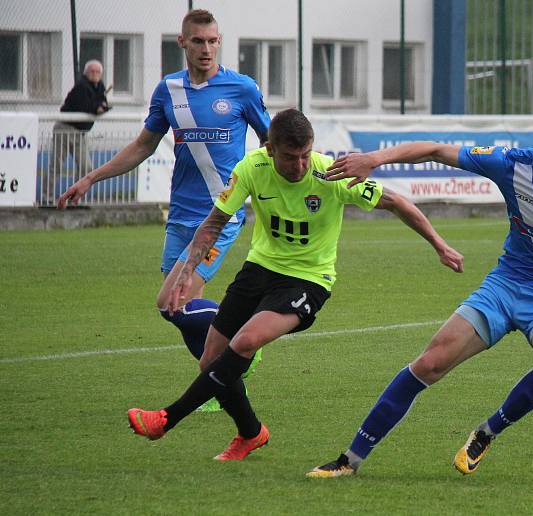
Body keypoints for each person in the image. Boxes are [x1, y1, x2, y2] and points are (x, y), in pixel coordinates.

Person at [307, 103, 533, 478]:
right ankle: (350, 460)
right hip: (506, 286)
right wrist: (374, 158)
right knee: (429, 363)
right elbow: (434, 149)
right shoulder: (510, 164)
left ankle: (488, 432)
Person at [125, 108, 464, 461]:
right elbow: (214, 223)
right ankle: (251, 433)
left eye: (305, 155)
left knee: (246, 341)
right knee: (210, 361)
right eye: (290, 157)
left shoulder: (329, 173)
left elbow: (395, 202)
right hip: (259, 269)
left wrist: (438, 244)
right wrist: (185, 272)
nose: (300, 166)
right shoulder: (251, 169)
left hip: (308, 279)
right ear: (270, 148)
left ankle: (166, 418)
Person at [58, 10, 271, 411]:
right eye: (198, 42)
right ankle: (217, 374)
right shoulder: (168, 90)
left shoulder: (241, 89)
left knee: (175, 299)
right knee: (180, 308)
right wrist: (91, 178)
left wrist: (266, 193)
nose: (206, 49)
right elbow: (142, 146)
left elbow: (270, 143)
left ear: (219, 41)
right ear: (182, 43)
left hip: (220, 215)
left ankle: (238, 347)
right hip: (180, 215)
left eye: (212, 41)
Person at [45, 59, 110, 205]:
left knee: (86, 166)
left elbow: (101, 102)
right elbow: (85, 105)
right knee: (56, 165)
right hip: (65, 128)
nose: (95, 74)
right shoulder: (81, 86)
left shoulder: (100, 86)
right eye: (92, 71)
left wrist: (102, 107)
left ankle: (75, 198)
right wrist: (97, 108)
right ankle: (47, 197)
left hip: (80, 131)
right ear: (86, 73)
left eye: (97, 72)